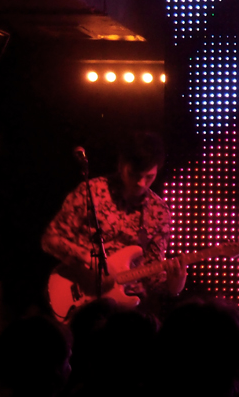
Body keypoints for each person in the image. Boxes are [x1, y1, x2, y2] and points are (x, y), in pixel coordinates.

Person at [42, 132, 184, 318]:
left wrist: (175, 284)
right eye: (134, 175)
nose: (141, 183)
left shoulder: (159, 211)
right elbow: (50, 239)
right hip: (84, 304)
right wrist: (87, 260)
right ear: (121, 165)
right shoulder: (92, 192)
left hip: (129, 312)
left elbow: (153, 275)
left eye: (149, 176)